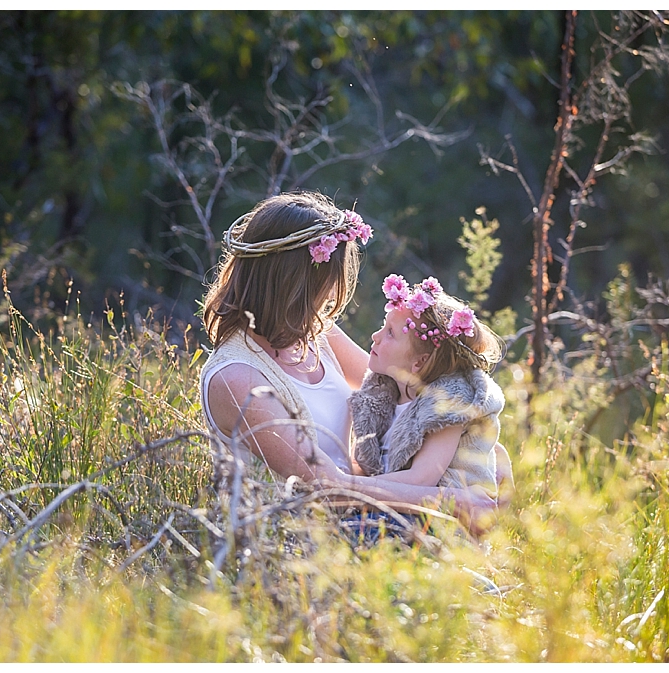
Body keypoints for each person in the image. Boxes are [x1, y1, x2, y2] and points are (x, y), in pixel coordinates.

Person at [199, 191, 500, 536]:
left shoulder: (315, 332)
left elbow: (417, 390)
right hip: (292, 547)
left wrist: (481, 457)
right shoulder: (237, 378)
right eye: (326, 284)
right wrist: (448, 501)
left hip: (369, 520)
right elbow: (325, 486)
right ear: (291, 283)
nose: (331, 297)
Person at [348, 274, 514, 504]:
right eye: (382, 327)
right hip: (390, 510)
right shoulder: (381, 397)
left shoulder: (448, 406)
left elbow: (421, 479)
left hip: (444, 522)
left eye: (390, 334)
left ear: (419, 362)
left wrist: (345, 486)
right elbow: (365, 465)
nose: (375, 337)